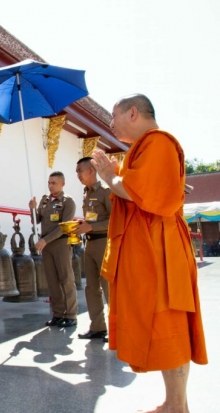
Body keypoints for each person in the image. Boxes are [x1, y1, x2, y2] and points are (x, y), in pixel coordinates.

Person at [92, 94, 207, 412]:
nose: (111, 123)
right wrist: (118, 176)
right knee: (161, 328)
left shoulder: (159, 143)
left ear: (133, 113)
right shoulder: (140, 152)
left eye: (114, 116)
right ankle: (174, 403)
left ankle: (177, 406)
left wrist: (111, 178)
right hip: (150, 248)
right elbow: (135, 191)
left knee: (170, 327)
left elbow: (136, 191)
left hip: (161, 250)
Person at [29, 171, 78, 328]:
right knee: (52, 281)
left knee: (66, 279)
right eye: (49, 183)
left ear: (62, 184)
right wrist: (32, 209)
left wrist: (45, 240)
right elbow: (36, 220)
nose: (50, 186)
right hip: (47, 245)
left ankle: (70, 314)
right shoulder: (45, 201)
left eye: (54, 183)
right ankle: (57, 314)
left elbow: (63, 228)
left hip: (60, 244)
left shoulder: (67, 202)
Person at [74, 157, 112, 340]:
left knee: (108, 288)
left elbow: (116, 220)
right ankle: (97, 327)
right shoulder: (86, 193)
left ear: (91, 170)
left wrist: (92, 227)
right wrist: (82, 225)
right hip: (89, 244)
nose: (78, 175)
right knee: (91, 288)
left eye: (80, 171)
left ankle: (118, 329)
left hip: (104, 244)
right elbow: (92, 219)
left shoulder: (105, 192)